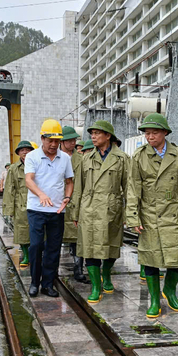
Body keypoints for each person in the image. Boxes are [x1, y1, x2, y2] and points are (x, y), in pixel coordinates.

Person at [126, 113, 178, 318]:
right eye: (147, 133)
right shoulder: (139, 156)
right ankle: (155, 300)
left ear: (165, 133)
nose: (150, 136)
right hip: (149, 214)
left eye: (154, 132)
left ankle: (169, 289)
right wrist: (133, 216)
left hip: (174, 214)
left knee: (177, 258)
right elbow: (133, 189)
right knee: (150, 259)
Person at [71, 120, 129, 303]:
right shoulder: (86, 159)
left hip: (112, 209)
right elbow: (78, 187)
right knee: (89, 248)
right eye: (92, 134)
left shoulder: (123, 159)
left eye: (97, 133)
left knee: (111, 247)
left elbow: (130, 188)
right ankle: (96, 286)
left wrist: (130, 214)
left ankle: (106, 273)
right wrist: (75, 212)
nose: (93, 137)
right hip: (89, 209)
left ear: (108, 136)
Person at [24, 119, 74, 298]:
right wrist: (41, 195)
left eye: (57, 141)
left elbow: (69, 181)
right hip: (36, 209)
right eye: (50, 140)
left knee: (53, 247)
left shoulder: (65, 158)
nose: (53, 145)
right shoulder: (32, 157)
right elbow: (29, 179)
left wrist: (67, 197)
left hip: (57, 211)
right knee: (36, 246)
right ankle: (34, 282)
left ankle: (48, 283)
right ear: (42, 138)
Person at [60, 126, 88, 284]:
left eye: (74, 140)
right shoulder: (53, 157)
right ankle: (50, 270)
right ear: (61, 141)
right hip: (57, 203)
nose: (72, 142)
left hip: (77, 202)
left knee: (77, 239)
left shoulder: (81, 159)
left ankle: (78, 269)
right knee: (53, 238)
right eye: (69, 140)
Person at [3, 140, 35, 267]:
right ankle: (26, 256)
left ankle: (36, 255)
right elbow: (9, 189)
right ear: (18, 153)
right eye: (22, 150)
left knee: (38, 232)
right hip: (21, 204)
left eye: (28, 150)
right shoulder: (13, 169)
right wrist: (9, 210)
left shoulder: (37, 165)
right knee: (22, 232)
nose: (25, 152)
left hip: (37, 202)